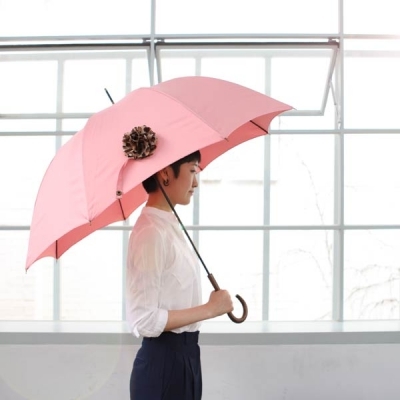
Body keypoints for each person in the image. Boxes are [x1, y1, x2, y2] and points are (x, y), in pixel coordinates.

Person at [126, 150, 234, 400]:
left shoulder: (168, 224)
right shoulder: (150, 233)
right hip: (163, 365)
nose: (196, 182)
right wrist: (210, 309)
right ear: (165, 174)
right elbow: (144, 319)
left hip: (186, 358)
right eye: (192, 170)